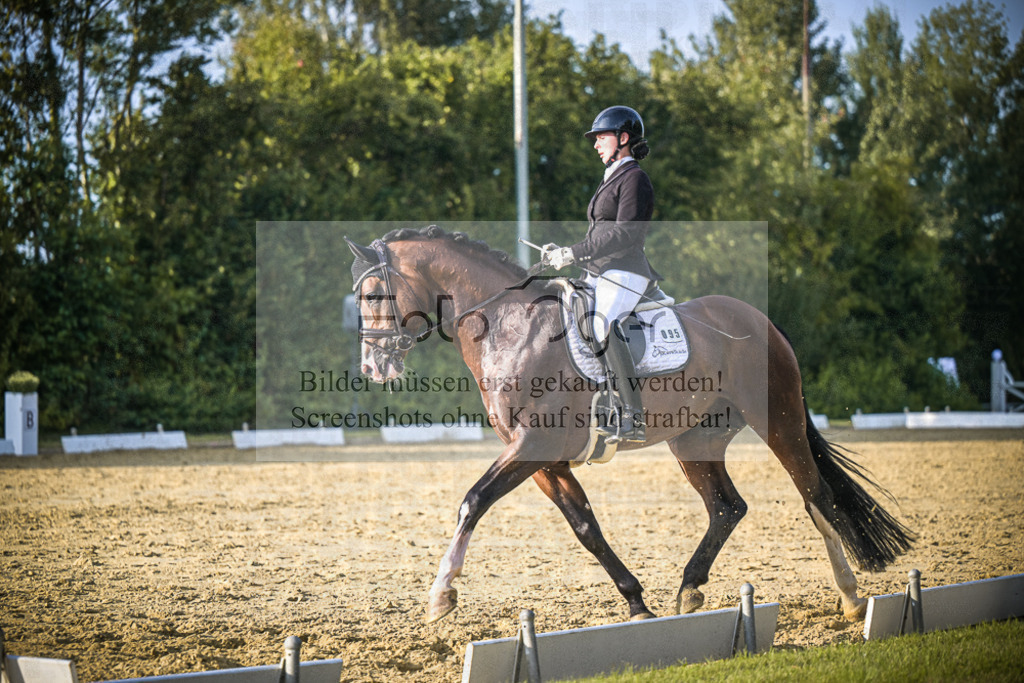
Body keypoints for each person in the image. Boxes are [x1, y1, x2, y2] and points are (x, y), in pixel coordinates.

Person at [541, 105, 661, 443]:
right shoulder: (611, 176)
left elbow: (625, 234)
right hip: (599, 271)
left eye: (601, 137)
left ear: (623, 138)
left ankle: (633, 416)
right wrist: (562, 253)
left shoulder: (635, 178)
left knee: (602, 323)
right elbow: (598, 234)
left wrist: (574, 252)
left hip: (626, 271)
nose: (595, 144)